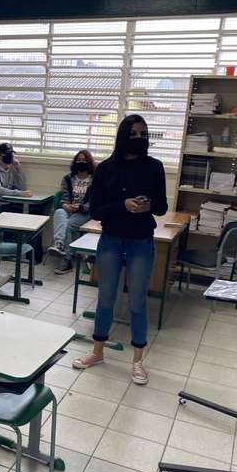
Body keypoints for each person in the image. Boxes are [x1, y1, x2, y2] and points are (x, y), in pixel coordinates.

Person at [71, 115, 167, 385]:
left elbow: (162, 207)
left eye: (144, 133)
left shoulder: (154, 167)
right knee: (106, 298)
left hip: (141, 241)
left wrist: (148, 206)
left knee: (137, 301)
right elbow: (97, 210)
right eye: (134, 133)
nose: (140, 138)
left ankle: (138, 361)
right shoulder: (106, 169)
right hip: (111, 239)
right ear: (124, 135)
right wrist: (122, 205)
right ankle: (97, 352)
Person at [49, 150, 96, 274]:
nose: (81, 162)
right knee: (59, 212)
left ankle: (67, 260)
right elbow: (64, 196)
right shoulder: (68, 178)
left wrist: (81, 208)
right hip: (69, 209)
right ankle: (59, 244)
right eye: (79, 160)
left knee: (68, 225)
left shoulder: (95, 179)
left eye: (84, 160)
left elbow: (94, 202)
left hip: (85, 213)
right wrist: (65, 205)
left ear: (89, 162)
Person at [0, 142, 32, 209]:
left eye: (11, 154)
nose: (10, 156)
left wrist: (18, 169)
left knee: (31, 210)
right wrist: (19, 193)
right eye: (7, 154)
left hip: (9, 203)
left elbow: (23, 187)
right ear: (0, 155)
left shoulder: (11, 169)